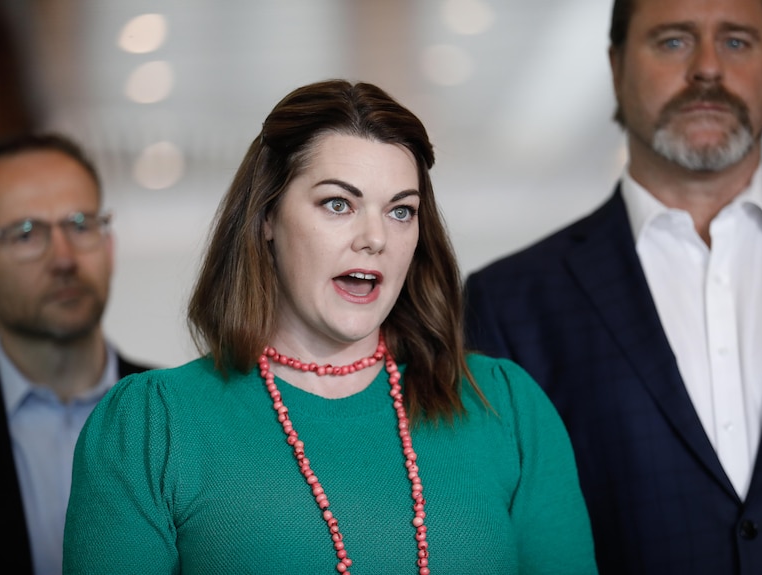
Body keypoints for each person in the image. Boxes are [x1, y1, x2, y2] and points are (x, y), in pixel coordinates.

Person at [63, 79, 597, 574]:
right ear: (266, 218)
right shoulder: (149, 428)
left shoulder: (507, 407)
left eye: (401, 211)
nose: (374, 238)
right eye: (338, 203)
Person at [464, 0, 762, 573]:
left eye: (737, 42)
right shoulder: (510, 303)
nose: (707, 68)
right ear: (615, 65)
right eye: (674, 41)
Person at [0, 133, 153, 575]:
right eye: (24, 234)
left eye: (81, 225)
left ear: (109, 247)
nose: (64, 258)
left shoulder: (180, 414)